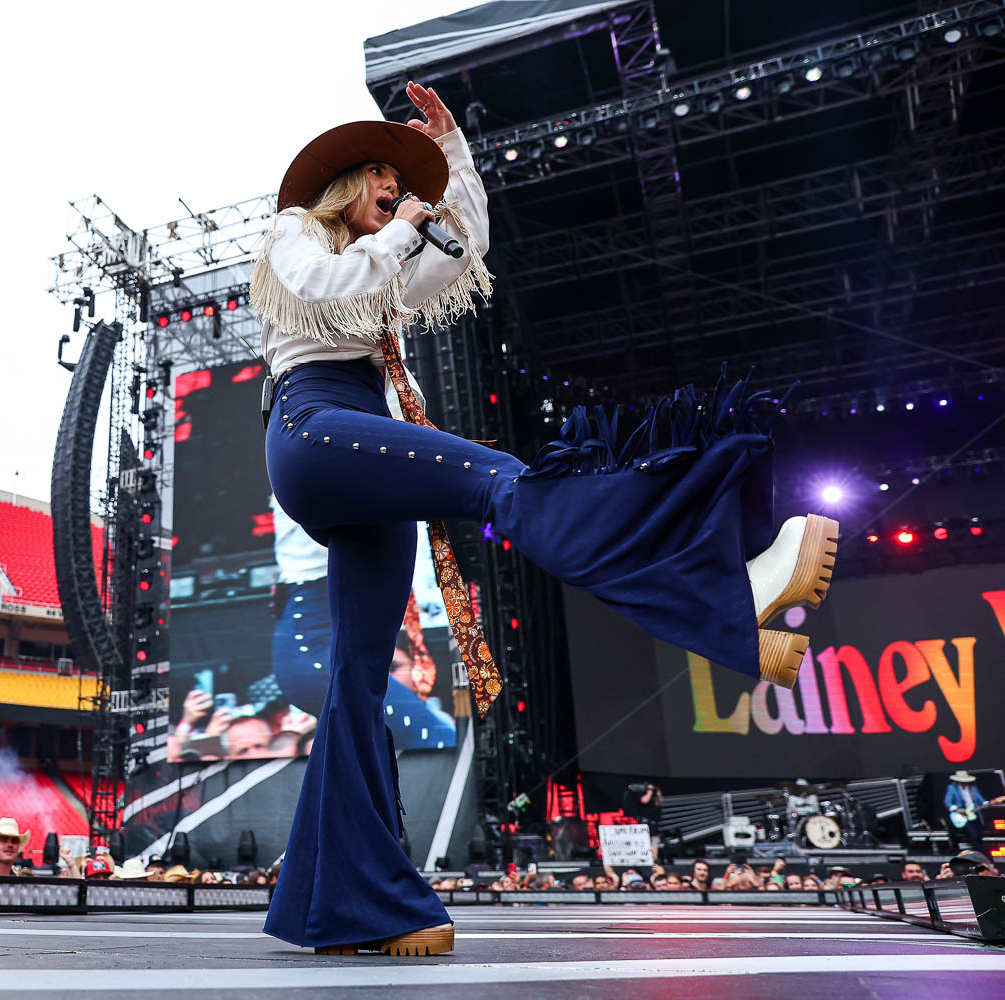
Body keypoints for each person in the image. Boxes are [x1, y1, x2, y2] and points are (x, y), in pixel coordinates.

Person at [254, 83, 837, 958]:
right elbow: (327, 285)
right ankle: (719, 577)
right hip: (312, 428)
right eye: (378, 172)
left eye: (397, 174)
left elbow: (464, 253)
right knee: (502, 481)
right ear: (341, 188)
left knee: (359, 681)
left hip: (358, 432)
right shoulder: (300, 233)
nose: (392, 184)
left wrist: (453, 158)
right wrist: (410, 223)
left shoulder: (393, 250)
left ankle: (343, 904)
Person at [944, 770, 989, 847]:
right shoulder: (952, 788)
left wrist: (987, 803)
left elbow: (980, 800)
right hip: (963, 814)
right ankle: (976, 852)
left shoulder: (973, 788)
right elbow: (947, 801)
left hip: (974, 813)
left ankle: (979, 850)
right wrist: (957, 810)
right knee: (973, 835)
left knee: (980, 833)